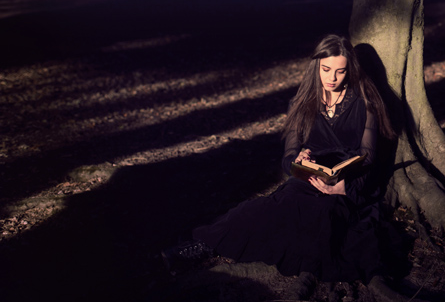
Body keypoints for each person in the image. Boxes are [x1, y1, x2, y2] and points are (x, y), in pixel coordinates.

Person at [162, 34, 395, 290]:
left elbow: (369, 157)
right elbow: (288, 159)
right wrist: (298, 161)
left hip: (346, 180)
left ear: (350, 70)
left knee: (322, 215)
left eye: (340, 71)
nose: (332, 78)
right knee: (262, 208)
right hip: (309, 177)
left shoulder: (365, 103)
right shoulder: (301, 103)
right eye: (326, 69)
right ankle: (200, 246)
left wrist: (346, 188)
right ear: (316, 67)